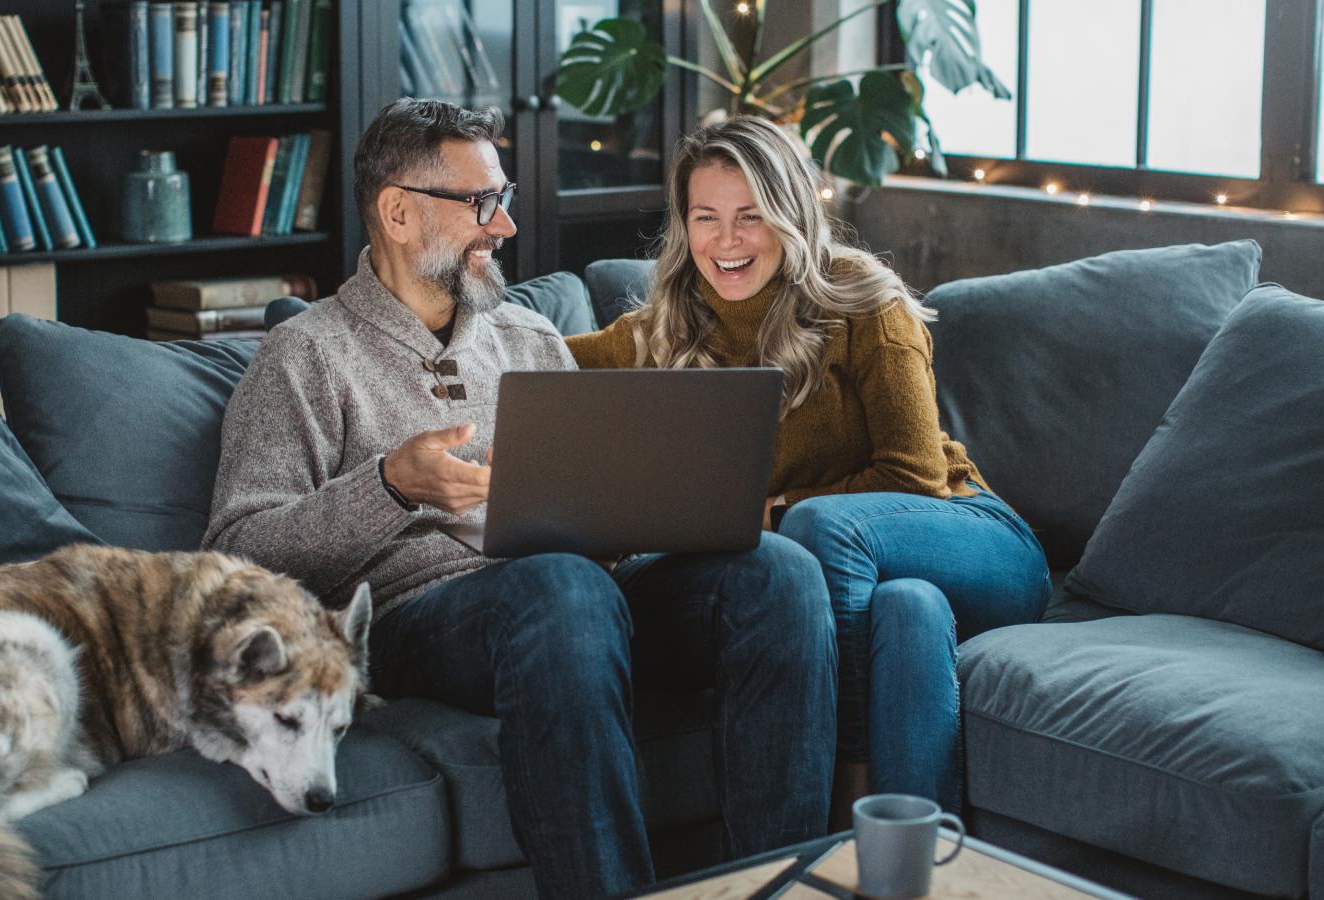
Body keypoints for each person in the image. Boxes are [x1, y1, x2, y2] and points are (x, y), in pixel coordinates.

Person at [203, 99, 837, 898]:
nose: (503, 228)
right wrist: (391, 486)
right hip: (421, 620)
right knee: (562, 588)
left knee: (776, 571)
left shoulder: (529, 339)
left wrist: (629, 519)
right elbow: (237, 552)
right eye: (481, 204)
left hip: (577, 595)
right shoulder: (305, 355)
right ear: (398, 211)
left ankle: (787, 888)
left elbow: (592, 505)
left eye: (501, 200)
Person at [566, 116, 1050, 817]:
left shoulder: (861, 299)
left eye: (751, 216)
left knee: (822, 528)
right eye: (706, 218)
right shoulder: (664, 328)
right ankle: (916, 862)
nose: (726, 241)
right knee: (907, 611)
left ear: (791, 213)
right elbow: (538, 363)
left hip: (975, 538)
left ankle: (841, 791)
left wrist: (779, 512)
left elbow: (916, 476)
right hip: (889, 582)